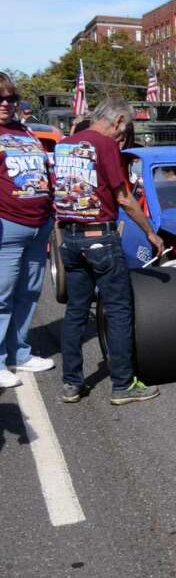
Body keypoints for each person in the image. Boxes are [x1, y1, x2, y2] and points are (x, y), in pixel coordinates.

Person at [54, 98, 164, 404]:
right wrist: (150, 232)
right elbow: (124, 198)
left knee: (76, 311)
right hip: (99, 237)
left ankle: (71, 382)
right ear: (116, 120)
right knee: (118, 310)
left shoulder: (65, 144)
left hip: (70, 239)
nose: (122, 135)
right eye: (124, 128)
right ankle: (123, 384)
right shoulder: (104, 146)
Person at [0, 73, 55, 389]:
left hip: (39, 225)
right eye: (0, 99)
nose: (6, 104)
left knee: (29, 292)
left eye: (11, 98)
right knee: (2, 296)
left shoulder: (25, 132)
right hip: (7, 225)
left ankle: (18, 351)